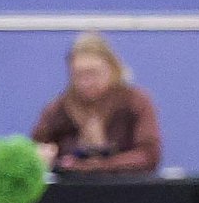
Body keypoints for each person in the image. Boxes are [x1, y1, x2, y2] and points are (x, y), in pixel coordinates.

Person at [32, 31, 162, 174]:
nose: (86, 82)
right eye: (78, 75)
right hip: (72, 190)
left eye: (93, 73)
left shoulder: (135, 102)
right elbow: (34, 150)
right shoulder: (59, 109)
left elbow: (149, 155)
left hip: (126, 189)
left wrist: (95, 166)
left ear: (113, 69)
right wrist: (43, 157)